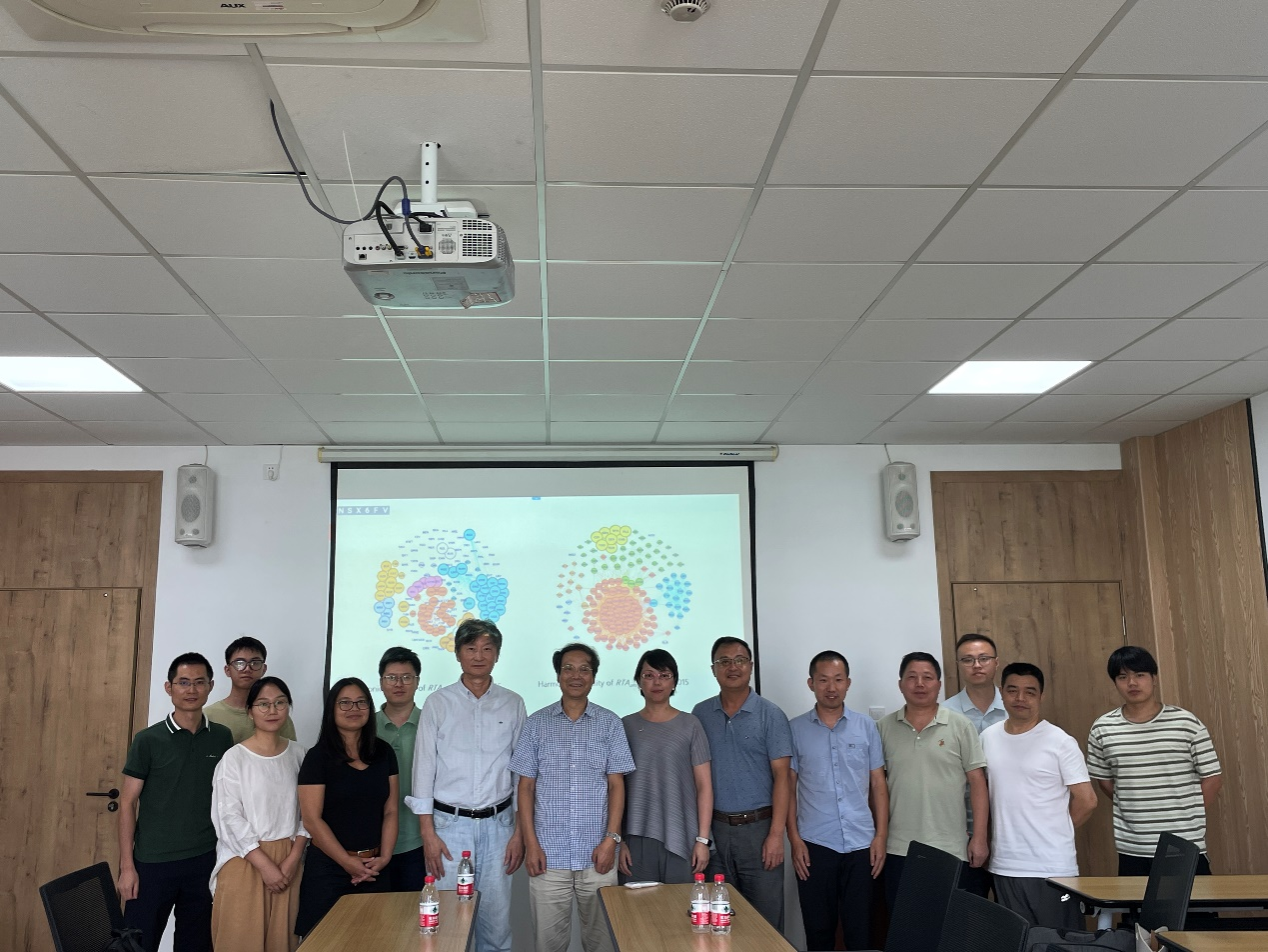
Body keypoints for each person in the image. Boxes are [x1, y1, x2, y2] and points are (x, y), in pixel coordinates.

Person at [408, 619, 527, 952]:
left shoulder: (513, 703)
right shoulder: (438, 702)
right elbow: (423, 770)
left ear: (497, 655)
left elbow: (521, 773)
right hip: (449, 827)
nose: (479, 655)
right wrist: (428, 834)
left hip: (499, 825)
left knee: (496, 923)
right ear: (458, 653)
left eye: (487, 649)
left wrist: (519, 833)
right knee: (450, 922)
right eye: (471, 648)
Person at [509, 642, 635, 952]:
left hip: (599, 854)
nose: (576, 676)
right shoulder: (536, 723)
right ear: (557, 675)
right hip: (547, 856)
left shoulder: (610, 723)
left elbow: (616, 785)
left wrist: (611, 841)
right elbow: (525, 788)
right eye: (568, 668)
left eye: (584, 669)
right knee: (548, 944)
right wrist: (531, 844)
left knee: (601, 942)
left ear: (594, 676)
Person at [116, 652, 233, 952]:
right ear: (169, 688)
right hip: (152, 863)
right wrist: (127, 867)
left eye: (199, 682)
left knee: (196, 945)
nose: (191, 690)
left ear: (210, 686)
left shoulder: (222, 737)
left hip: (204, 859)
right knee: (136, 944)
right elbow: (127, 803)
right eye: (183, 682)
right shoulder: (148, 740)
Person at [1087, 646, 1223, 876]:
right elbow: (1105, 782)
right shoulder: (1102, 728)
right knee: (1136, 901)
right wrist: (1137, 806)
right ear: (1115, 682)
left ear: (1154, 678)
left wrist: (1185, 815)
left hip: (1183, 843)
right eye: (1123, 677)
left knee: (1193, 901)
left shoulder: (1186, 723)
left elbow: (1213, 778)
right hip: (1132, 848)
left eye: (1140, 675)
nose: (1132, 683)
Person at [981, 663, 1097, 929]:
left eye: (1030, 692)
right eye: (1012, 690)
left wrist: (1056, 829)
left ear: (1041, 696)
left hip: (1052, 868)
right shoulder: (987, 738)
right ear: (1001, 693)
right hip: (1005, 864)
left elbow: (1088, 800)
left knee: (1059, 943)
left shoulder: (1060, 741)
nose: (1020, 698)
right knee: (1016, 941)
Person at [787, 651, 887, 952]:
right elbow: (787, 788)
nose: (831, 688)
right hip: (814, 845)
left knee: (861, 931)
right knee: (819, 932)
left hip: (862, 844)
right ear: (811, 683)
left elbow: (878, 784)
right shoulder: (794, 729)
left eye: (838, 680)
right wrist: (794, 840)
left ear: (848, 683)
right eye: (823, 680)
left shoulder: (866, 726)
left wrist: (880, 836)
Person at [691, 636, 793, 932]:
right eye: (724, 661)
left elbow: (783, 778)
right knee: (719, 923)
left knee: (765, 924)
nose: (732, 667)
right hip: (716, 832)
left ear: (751, 666)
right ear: (713, 669)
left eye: (739, 660)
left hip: (759, 831)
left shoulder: (770, 715)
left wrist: (776, 835)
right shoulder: (700, 714)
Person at [876, 651, 988, 910]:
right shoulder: (882, 728)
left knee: (948, 925)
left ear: (938, 684)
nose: (920, 684)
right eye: (912, 677)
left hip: (950, 847)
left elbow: (978, 783)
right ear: (900, 684)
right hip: (898, 848)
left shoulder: (960, 726)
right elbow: (876, 786)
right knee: (904, 924)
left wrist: (979, 838)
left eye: (927, 677)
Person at [210, 676, 309, 952]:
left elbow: (310, 813)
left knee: (283, 943)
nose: (272, 710)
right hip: (245, 860)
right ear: (250, 711)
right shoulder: (234, 758)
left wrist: (293, 859)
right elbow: (228, 816)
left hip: (290, 862)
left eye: (280, 703)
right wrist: (265, 866)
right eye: (263, 704)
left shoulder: (301, 755)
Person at [294, 678, 398, 938]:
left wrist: (385, 857)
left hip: (375, 868)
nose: (354, 708)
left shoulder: (384, 752)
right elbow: (312, 820)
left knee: (375, 940)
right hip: (329, 870)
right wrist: (347, 862)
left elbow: (391, 810)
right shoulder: (317, 757)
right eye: (345, 703)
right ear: (332, 709)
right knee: (325, 942)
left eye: (361, 702)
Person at [618, 648, 713, 884]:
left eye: (664, 675)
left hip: (683, 833)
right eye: (649, 675)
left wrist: (703, 840)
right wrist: (619, 841)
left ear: (674, 682)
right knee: (638, 905)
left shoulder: (690, 724)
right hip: (636, 835)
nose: (657, 682)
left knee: (680, 905)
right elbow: (614, 788)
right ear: (638, 681)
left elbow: (704, 786)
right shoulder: (625, 726)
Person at [942, 633, 1005, 896]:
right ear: (958, 665)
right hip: (962, 830)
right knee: (967, 911)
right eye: (968, 660)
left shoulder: (1015, 710)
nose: (976, 665)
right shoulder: (944, 714)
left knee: (1015, 912)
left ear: (996, 662)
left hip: (1010, 828)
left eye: (983, 658)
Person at [374, 646, 425, 892]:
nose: (399, 684)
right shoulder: (364, 725)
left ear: (417, 682)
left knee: (414, 910)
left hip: (421, 839)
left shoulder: (432, 724)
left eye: (406, 677)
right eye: (391, 677)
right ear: (381, 682)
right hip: (373, 841)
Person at [205, 637, 298, 744]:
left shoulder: (275, 716)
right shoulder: (208, 716)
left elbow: (289, 752)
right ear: (227, 670)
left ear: (264, 669)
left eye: (255, 662)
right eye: (239, 663)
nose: (247, 669)